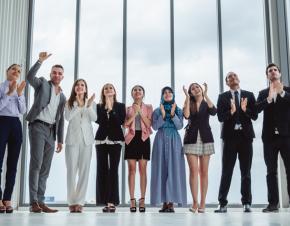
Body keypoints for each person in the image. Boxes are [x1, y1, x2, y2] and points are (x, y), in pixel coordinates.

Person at [26, 52, 66, 213]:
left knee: (45, 168)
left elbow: (61, 119)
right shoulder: (42, 83)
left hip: (51, 131)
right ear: (50, 74)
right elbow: (29, 77)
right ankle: (33, 202)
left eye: (60, 73)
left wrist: (60, 140)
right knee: (36, 164)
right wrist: (39, 61)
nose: (57, 75)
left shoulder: (62, 96)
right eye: (54, 72)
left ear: (62, 76)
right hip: (37, 127)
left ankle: (41, 201)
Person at [215, 72, 257, 213]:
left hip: (245, 137)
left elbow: (255, 116)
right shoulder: (223, 97)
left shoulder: (249, 95)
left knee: (246, 172)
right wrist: (232, 112)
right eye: (229, 77)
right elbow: (220, 117)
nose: (233, 77)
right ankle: (222, 203)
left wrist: (245, 110)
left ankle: (247, 203)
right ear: (227, 82)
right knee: (227, 171)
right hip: (230, 138)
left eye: (234, 75)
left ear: (238, 79)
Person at [256, 63, 290, 212]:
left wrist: (282, 93)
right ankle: (273, 204)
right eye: (270, 71)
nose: (273, 72)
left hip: (286, 136)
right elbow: (256, 110)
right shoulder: (263, 93)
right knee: (271, 171)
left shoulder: (288, 91)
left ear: (279, 74)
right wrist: (268, 99)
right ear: (267, 76)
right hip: (269, 138)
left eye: (275, 70)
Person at [150, 86, 187, 212]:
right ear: (162, 96)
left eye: (169, 92)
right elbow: (155, 127)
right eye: (164, 92)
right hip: (160, 139)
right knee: (161, 169)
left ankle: (171, 202)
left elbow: (180, 126)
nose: (167, 94)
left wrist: (172, 115)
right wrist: (163, 115)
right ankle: (164, 202)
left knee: (173, 169)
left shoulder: (178, 110)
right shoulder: (156, 111)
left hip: (174, 140)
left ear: (173, 95)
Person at [183, 82, 216, 213]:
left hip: (206, 138)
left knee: (204, 172)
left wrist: (206, 95)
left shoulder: (206, 103)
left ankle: (203, 202)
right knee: (193, 171)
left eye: (197, 87)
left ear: (201, 89)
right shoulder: (189, 102)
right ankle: (195, 202)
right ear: (190, 92)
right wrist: (186, 98)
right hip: (191, 138)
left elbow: (214, 111)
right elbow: (186, 116)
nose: (195, 89)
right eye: (192, 88)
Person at [65, 79, 97, 213]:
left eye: (82, 85)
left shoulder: (92, 103)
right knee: (71, 171)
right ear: (74, 88)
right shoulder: (69, 102)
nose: (80, 87)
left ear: (85, 88)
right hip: (72, 140)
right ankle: (71, 202)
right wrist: (78, 105)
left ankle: (79, 202)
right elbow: (68, 117)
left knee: (84, 171)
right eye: (77, 85)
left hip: (87, 141)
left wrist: (88, 106)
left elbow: (94, 118)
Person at [95, 83, 125, 213]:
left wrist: (111, 109)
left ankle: (112, 202)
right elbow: (99, 121)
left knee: (113, 170)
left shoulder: (121, 106)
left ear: (114, 91)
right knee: (102, 170)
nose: (108, 89)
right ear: (103, 92)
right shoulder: (98, 106)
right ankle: (104, 201)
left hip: (116, 140)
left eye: (110, 88)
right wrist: (105, 106)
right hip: (101, 140)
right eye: (106, 88)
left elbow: (119, 121)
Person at [0, 64, 26, 213]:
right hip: (2, 122)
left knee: (13, 164)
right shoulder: (1, 87)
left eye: (19, 71)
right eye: (13, 69)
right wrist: (9, 94)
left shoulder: (20, 89)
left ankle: (7, 198)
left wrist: (20, 94)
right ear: (7, 71)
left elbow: (22, 111)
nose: (16, 72)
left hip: (16, 124)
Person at [124, 85, 153, 212]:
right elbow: (125, 124)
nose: (137, 91)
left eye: (140, 89)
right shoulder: (128, 108)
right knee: (131, 170)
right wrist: (134, 112)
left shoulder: (149, 107)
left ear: (143, 93)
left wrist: (140, 111)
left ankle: (142, 199)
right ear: (132, 94)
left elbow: (148, 124)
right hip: (131, 139)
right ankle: (132, 200)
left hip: (144, 139)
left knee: (143, 170)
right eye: (135, 90)